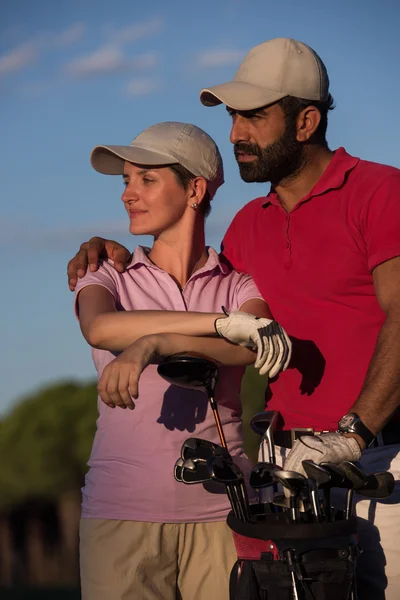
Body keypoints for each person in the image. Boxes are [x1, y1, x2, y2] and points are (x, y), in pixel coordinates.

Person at [67, 38, 400, 599]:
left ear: (306, 120)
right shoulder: (246, 227)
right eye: (232, 117)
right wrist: (106, 247)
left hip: (378, 460)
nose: (236, 133)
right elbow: (217, 310)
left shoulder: (381, 190)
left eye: (254, 116)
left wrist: (353, 432)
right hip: (283, 477)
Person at [72, 120, 291, 600]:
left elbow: (249, 344)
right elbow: (101, 329)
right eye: (126, 181)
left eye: (146, 180)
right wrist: (215, 323)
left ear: (195, 189)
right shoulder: (108, 273)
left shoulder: (237, 284)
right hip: (120, 516)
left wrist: (154, 343)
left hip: (225, 516)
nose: (128, 193)